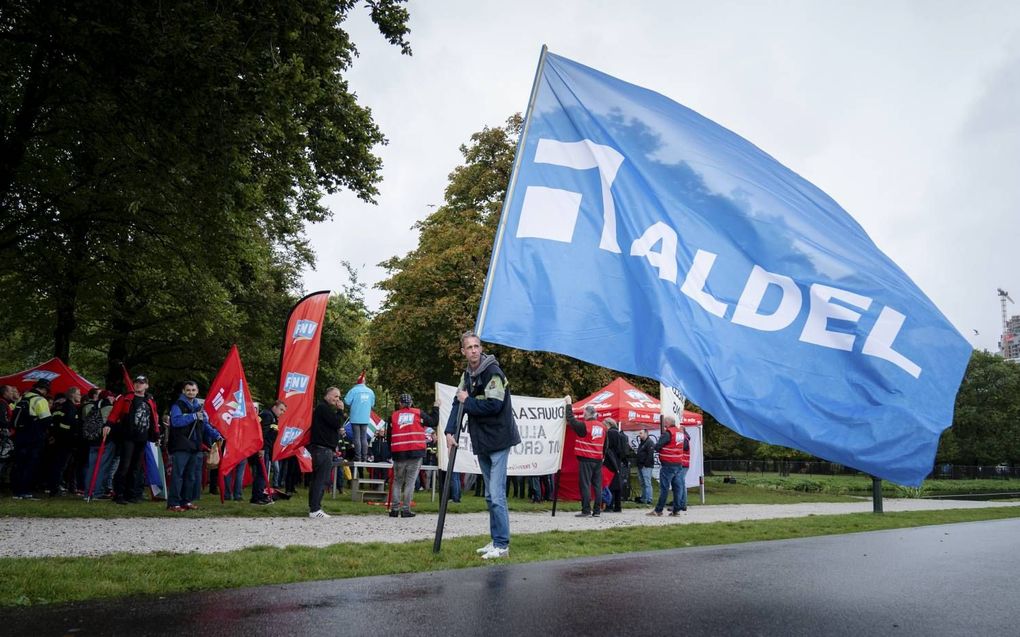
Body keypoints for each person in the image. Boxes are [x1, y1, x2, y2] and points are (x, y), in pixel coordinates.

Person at [444, 331, 520, 560]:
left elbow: (494, 405)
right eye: (469, 347)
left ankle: (502, 545)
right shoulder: (467, 375)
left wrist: (469, 401)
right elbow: (457, 401)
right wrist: (448, 431)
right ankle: (496, 540)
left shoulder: (493, 372)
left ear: (481, 348)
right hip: (483, 440)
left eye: (477, 346)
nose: (474, 350)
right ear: (463, 351)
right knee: (489, 495)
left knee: (496, 495)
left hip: (499, 439)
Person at [167, 381, 222, 511]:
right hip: (181, 445)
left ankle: (186, 501)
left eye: (193, 390)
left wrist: (216, 435)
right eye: (188, 390)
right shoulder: (178, 405)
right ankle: (173, 503)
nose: (190, 392)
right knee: (178, 475)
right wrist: (192, 416)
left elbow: (206, 425)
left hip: (196, 446)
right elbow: (175, 421)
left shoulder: (199, 408)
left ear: (197, 392)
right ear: (183, 391)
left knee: (191, 476)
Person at [107, 375, 160, 505]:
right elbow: (115, 412)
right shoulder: (126, 398)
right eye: (136, 382)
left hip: (142, 438)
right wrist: (108, 424)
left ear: (146, 385)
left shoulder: (150, 400)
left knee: (136, 467)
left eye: (142, 383)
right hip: (128, 437)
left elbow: (154, 418)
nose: (138, 385)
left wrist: (157, 434)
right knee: (124, 465)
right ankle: (118, 494)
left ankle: (131, 494)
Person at [388, 393, 434, 518]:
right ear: (411, 402)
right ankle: (406, 509)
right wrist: (436, 408)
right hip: (415, 451)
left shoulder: (393, 416)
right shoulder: (418, 413)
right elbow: (433, 421)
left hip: (398, 452)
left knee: (397, 482)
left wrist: (390, 452)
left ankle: (394, 509)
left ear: (400, 403)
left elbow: (389, 437)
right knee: (410, 482)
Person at [11, 379, 53, 499]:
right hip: (34, 436)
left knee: (19, 464)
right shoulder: (40, 400)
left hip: (19, 435)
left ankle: (16, 492)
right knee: (30, 464)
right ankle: (25, 491)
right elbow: (46, 420)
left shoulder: (22, 398)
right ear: (44, 389)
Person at [564, 400, 606, 518]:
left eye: (584, 413)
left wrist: (568, 404)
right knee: (598, 485)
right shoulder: (603, 427)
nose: (583, 415)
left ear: (587, 414)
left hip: (586, 458)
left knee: (585, 484)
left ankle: (586, 510)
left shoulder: (584, 426)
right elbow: (605, 444)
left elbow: (571, 419)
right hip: (598, 459)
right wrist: (603, 456)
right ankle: (597, 511)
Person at [308, 386, 344, 518]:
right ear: (327, 395)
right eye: (335, 396)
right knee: (321, 479)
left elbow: (332, 425)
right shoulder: (323, 408)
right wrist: (340, 411)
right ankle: (315, 509)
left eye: (338, 397)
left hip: (321, 449)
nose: (337, 399)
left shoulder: (323, 409)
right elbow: (337, 422)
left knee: (317, 479)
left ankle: (313, 507)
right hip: (323, 450)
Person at [649, 415, 690, 517]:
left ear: (667, 423)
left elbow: (658, 446)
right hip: (679, 464)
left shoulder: (668, 433)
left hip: (668, 464)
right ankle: (676, 511)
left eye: (664, 423)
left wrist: (655, 447)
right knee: (677, 488)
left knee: (664, 488)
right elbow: (685, 446)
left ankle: (658, 510)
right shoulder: (680, 433)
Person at [47, 386, 82, 495]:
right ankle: (55, 489)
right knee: (61, 466)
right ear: (72, 395)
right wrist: (73, 436)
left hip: (58, 440)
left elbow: (53, 422)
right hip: (67, 441)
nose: (80, 396)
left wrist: (54, 435)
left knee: (62, 465)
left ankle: (64, 487)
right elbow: (69, 425)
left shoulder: (59, 407)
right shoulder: (71, 408)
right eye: (78, 394)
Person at [82, 390, 116, 499]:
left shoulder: (93, 407)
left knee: (91, 467)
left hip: (92, 440)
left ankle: (88, 492)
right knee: (103, 467)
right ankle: (98, 492)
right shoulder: (109, 408)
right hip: (105, 441)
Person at [255, 399, 287, 503]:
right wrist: (262, 448)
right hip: (263, 449)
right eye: (281, 409)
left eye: (283, 411)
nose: (282, 413)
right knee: (262, 474)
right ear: (274, 407)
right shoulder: (268, 415)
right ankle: (258, 497)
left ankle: (260, 495)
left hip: (267, 448)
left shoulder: (272, 416)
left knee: (263, 474)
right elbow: (262, 433)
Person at [344, 372, 375, 462]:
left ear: (357, 382)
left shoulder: (353, 390)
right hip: (365, 418)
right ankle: (364, 457)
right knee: (364, 437)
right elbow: (372, 404)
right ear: (364, 382)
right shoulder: (370, 391)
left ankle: (358, 457)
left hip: (355, 417)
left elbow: (347, 401)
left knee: (356, 437)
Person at [604, 417, 625, 512]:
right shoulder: (620, 433)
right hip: (617, 460)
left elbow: (608, 447)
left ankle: (609, 505)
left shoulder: (610, 433)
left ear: (608, 424)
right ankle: (618, 505)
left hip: (610, 460)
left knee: (611, 483)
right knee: (617, 484)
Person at [634, 428, 656, 505]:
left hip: (646, 466)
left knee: (647, 483)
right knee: (642, 483)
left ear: (646, 433)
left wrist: (645, 465)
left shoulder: (649, 442)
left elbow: (650, 455)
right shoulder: (642, 443)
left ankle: (649, 499)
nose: (639, 435)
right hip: (640, 465)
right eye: (639, 433)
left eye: (641, 433)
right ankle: (643, 498)